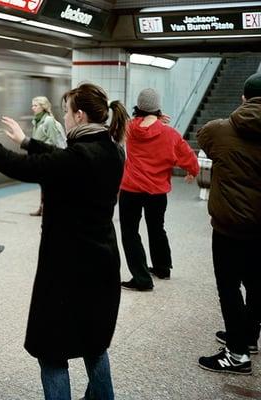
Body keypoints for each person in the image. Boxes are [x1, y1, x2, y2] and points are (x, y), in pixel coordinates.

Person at [0, 83, 129, 400]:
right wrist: (27, 141)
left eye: (67, 112)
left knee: (52, 351)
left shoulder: (78, 158)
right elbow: (63, 160)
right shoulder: (112, 150)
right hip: (102, 263)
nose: (65, 118)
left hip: (67, 269)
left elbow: (23, 167)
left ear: (80, 115)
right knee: (94, 343)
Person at [196, 72, 261, 375]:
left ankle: (236, 354)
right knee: (257, 285)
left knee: (229, 287)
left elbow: (203, 138)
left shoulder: (220, 130)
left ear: (244, 98)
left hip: (229, 228)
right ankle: (247, 337)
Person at [119, 88, 199, 291]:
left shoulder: (129, 128)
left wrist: (151, 117)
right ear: (158, 109)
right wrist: (192, 170)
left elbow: (126, 127)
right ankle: (163, 268)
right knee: (156, 227)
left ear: (138, 107)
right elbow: (187, 154)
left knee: (130, 232)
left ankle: (142, 279)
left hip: (131, 189)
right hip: (157, 191)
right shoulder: (169, 133)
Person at [29, 96, 66, 216]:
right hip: (40, 157)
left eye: (35, 105)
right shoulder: (36, 121)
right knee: (43, 184)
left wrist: (40, 146)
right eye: (32, 105)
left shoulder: (48, 121)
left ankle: (47, 208)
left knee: (47, 184)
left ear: (43, 107)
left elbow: (54, 141)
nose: (32, 108)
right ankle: (42, 207)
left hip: (47, 157)